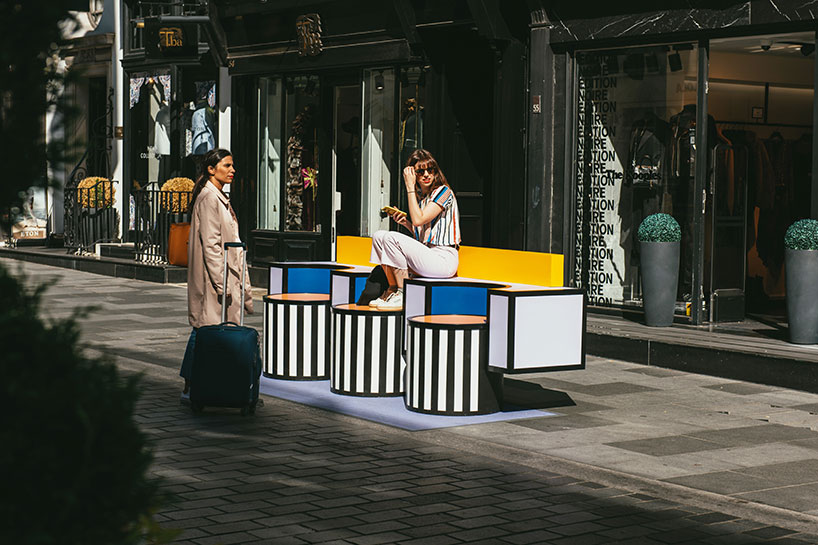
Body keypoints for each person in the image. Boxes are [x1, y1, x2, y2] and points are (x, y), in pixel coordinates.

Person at [180, 148, 253, 398]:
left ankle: (198, 383)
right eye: (227, 166)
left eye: (233, 165)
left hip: (219, 274)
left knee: (206, 328)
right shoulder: (210, 198)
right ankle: (192, 384)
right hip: (213, 277)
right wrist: (222, 283)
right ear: (211, 169)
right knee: (204, 327)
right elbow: (211, 244)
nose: (233, 170)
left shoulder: (217, 196)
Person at [369, 149, 461, 309]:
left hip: (444, 259)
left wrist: (409, 186)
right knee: (379, 236)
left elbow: (419, 219)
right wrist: (405, 223)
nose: (426, 175)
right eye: (420, 171)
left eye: (430, 170)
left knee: (391, 237)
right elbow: (422, 235)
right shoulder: (423, 201)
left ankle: (403, 292)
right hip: (428, 256)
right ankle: (392, 290)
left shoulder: (444, 192)